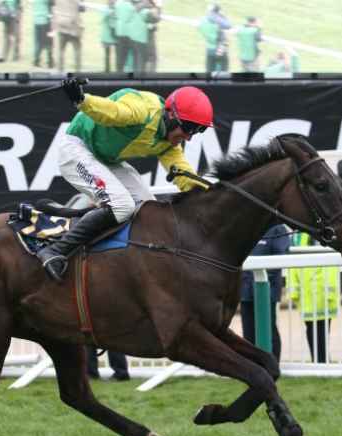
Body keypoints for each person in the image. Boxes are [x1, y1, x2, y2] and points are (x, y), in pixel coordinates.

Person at [36, 81, 214, 281]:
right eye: (189, 128)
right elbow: (111, 111)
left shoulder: (169, 144)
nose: (189, 137)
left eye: (198, 131)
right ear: (171, 114)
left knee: (150, 210)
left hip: (106, 159)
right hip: (77, 148)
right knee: (122, 205)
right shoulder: (141, 110)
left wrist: (215, 194)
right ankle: (55, 250)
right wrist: (81, 99)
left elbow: (185, 176)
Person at [239, 224, 290, 362]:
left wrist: (261, 278)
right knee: (248, 332)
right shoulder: (245, 225)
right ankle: (252, 367)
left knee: (268, 330)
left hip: (267, 289)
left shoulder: (277, 228)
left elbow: (279, 258)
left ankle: (272, 365)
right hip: (245, 288)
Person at [288, 233, 339, 363]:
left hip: (322, 292)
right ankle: (317, 360)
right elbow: (292, 264)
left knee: (323, 329)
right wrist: (294, 290)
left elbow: (332, 264)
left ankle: (323, 360)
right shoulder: (299, 237)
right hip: (307, 292)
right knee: (311, 329)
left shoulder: (326, 234)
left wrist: (330, 291)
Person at [198, 4, 231, 74]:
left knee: (209, 70)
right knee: (223, 70)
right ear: (218, 11)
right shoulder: (217, 20)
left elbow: (200, 27)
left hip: (209, 48)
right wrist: (223, 17)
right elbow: (228, 26)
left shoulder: (203, 20)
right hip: (220, 48)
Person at [53, 0, 85, 72]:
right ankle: (77, 70)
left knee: (61, 50)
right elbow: (82, 9)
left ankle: (60, 70)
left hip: (62, 25)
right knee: (77, 50)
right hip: (73, 27)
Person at [114, 0, 135, 72]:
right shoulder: (131, 7)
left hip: (119, 32)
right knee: (130, 54)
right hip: (128, 33)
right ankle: (129, 70)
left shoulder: (117, 4)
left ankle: (119, 72)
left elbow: (116, 15)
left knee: (120, 55)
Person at [33, 0, 54, 68]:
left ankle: (36, 60)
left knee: (38, 42)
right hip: (45, 21)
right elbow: (53, 3)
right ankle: (50, 62)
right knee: (49, 42)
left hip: (36, 20)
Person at [100, 0, 117, 72]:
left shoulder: (106, 10)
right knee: (109, 55)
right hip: (112, 36)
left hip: (108, 36)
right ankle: (109, 70)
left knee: (108, 55)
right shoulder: (111, 10)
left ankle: (107, 70)